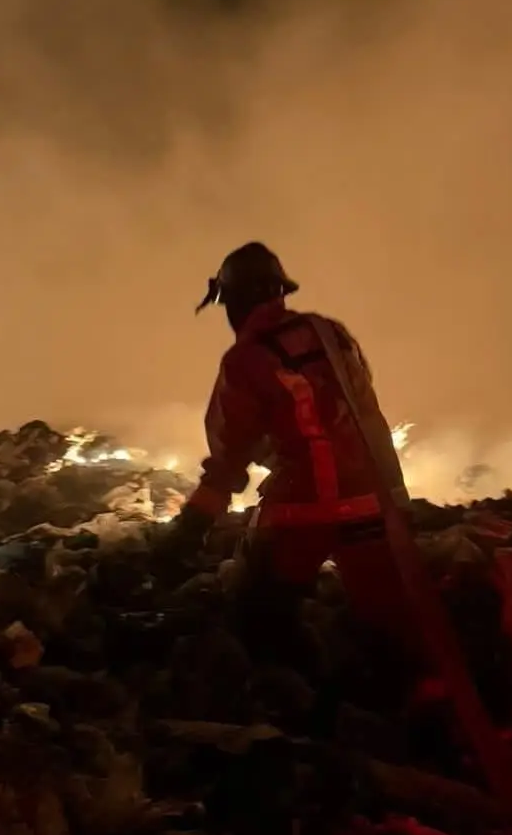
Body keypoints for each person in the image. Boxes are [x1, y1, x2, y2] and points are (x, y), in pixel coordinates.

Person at [160, 243, 412, 677]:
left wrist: (190, 528)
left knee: (257, 614)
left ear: (235, 302)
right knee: (388, 628)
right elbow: (366, 414)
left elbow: (228, 458)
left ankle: (295, 694)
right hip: (369, 504)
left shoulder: (245, 360)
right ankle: (393, 697)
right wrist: (397, 502)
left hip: (302, 510)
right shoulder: (332, 334)